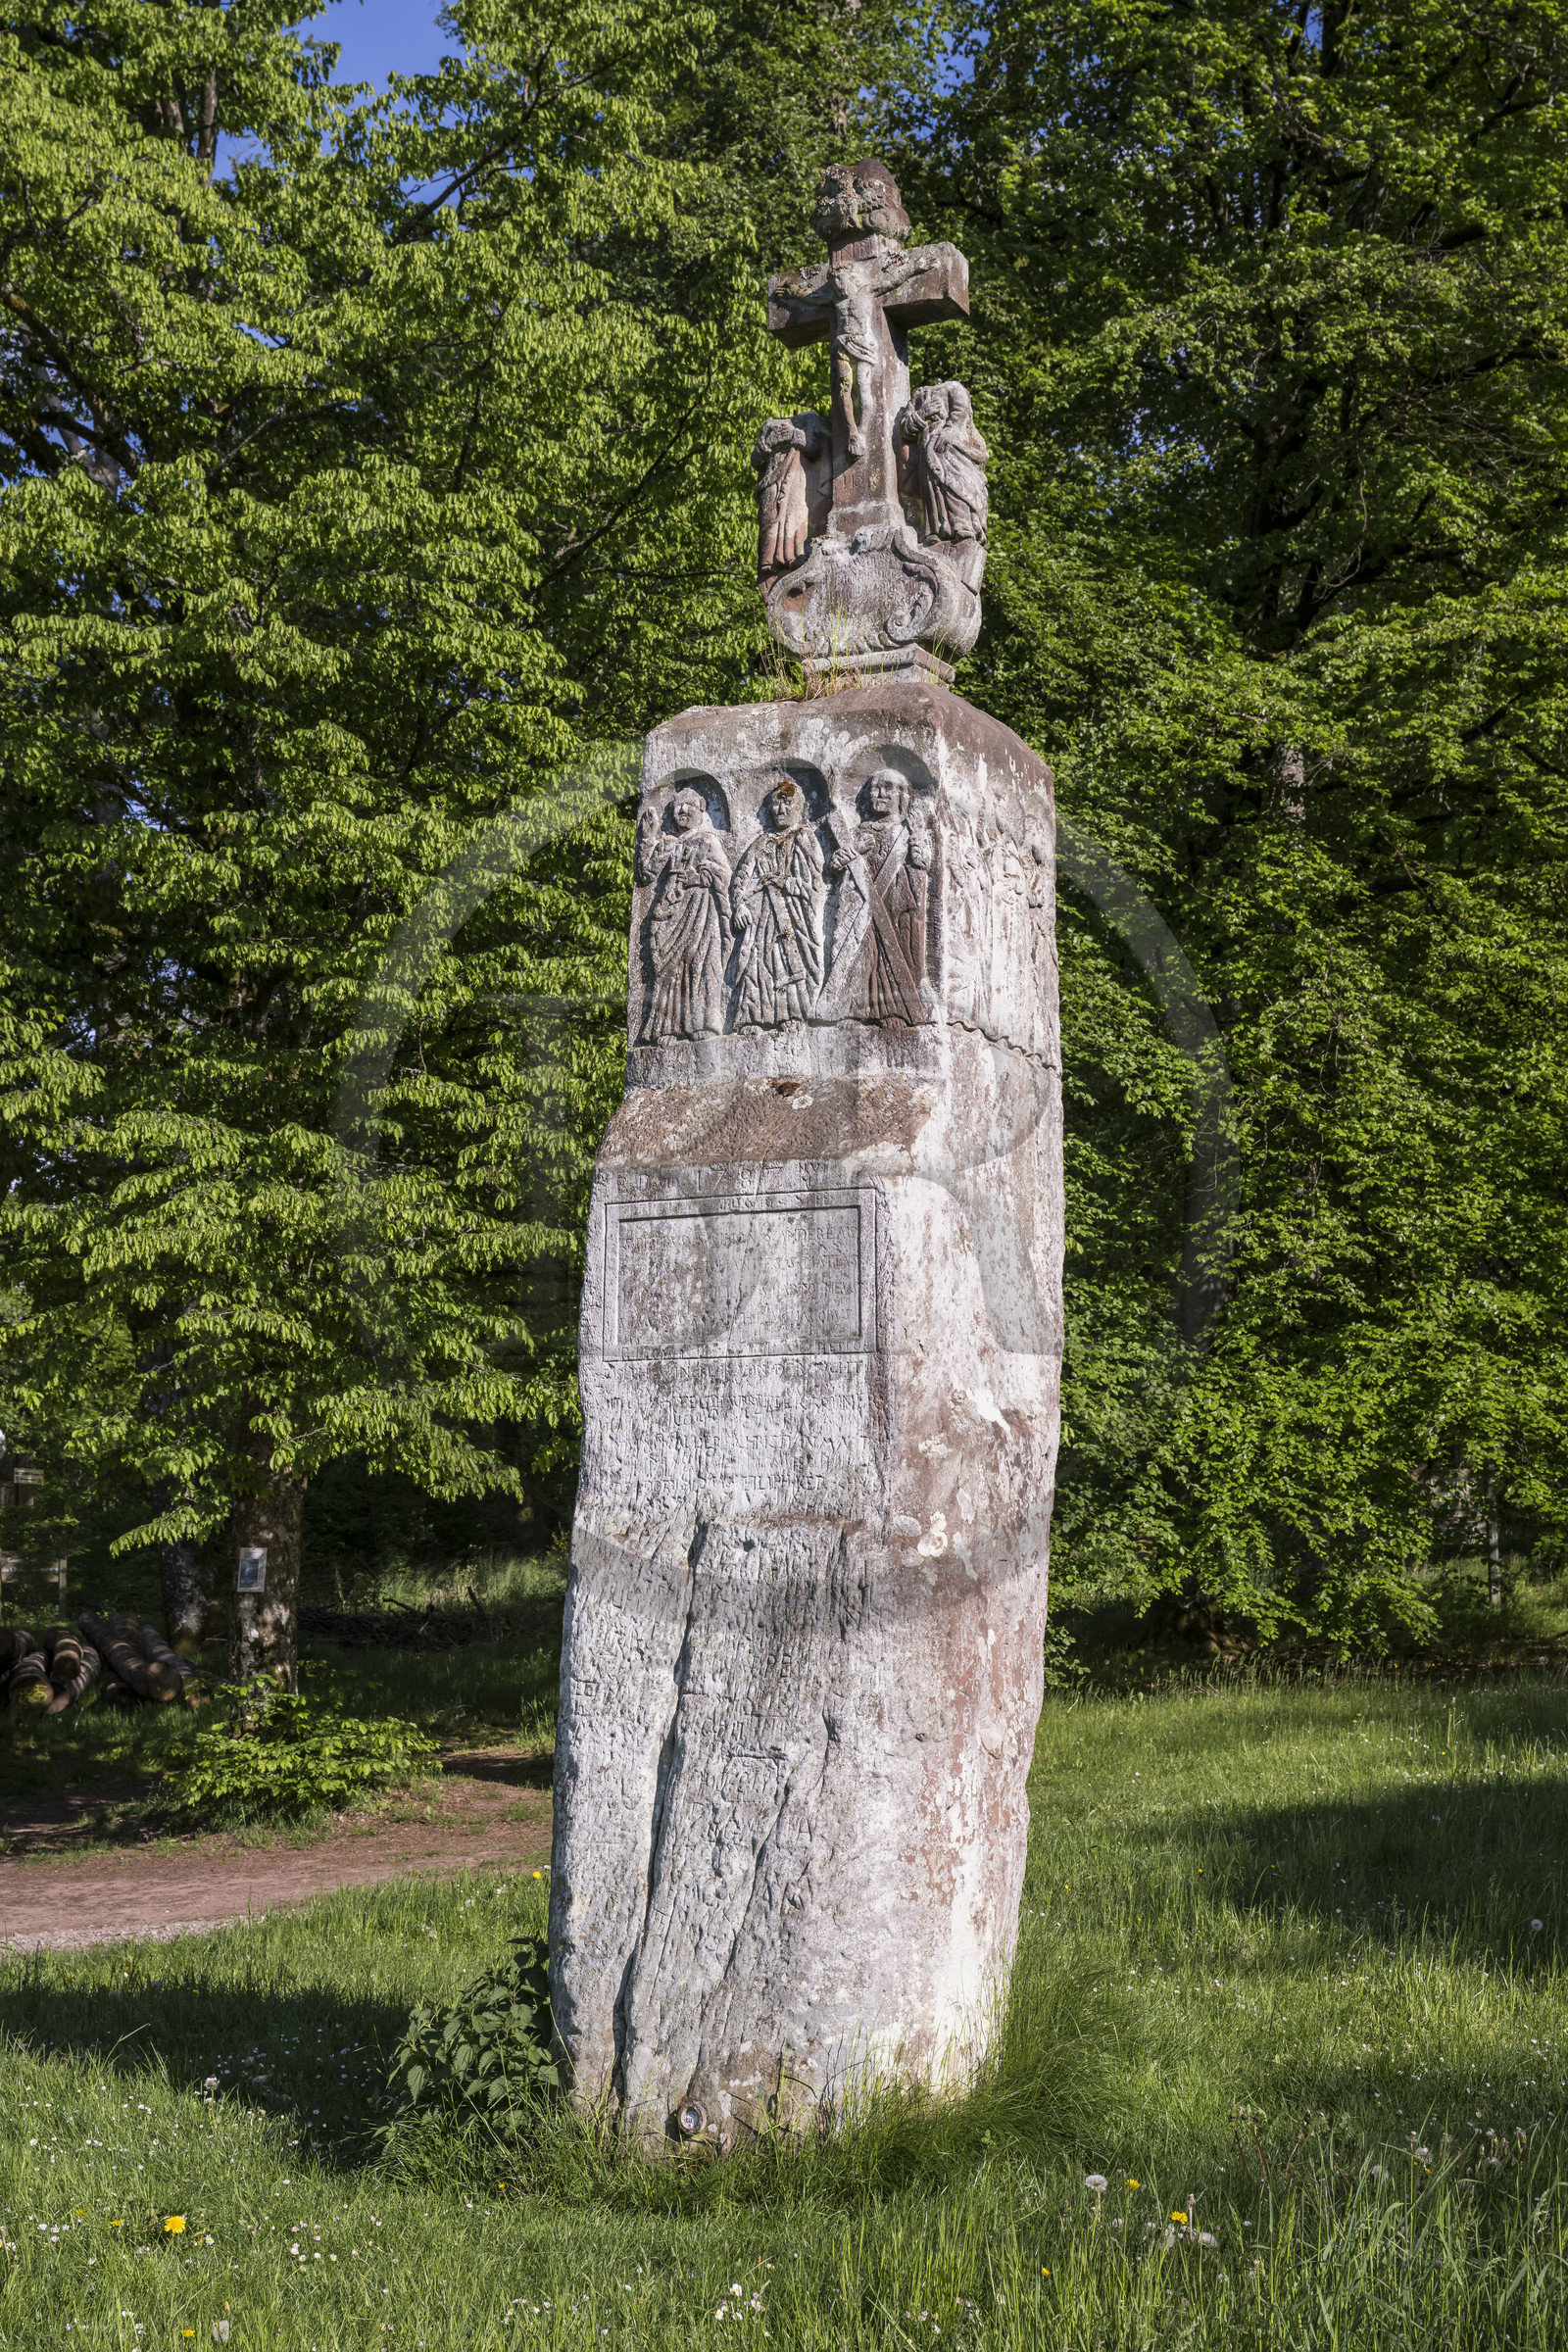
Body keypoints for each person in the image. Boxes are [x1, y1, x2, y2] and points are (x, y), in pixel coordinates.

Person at [635, 787, 732, 1041]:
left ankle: (703, 1023)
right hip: (671, 911)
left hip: (700, 909)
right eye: (677, 806)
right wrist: (648, 836)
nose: (682, 810)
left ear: (701, 810)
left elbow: (724, 875)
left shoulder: (707, 841)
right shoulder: (668, 843)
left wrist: (699, 876)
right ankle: (665, 1028)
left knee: (699, 963)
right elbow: (646, 874)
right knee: (669, 970)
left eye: (689, 805)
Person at [730, 778, 825, 1026]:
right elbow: (741, 877)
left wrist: (784, 882)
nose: (781, 810)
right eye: (776, 805)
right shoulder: (761, 843)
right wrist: (739, 903)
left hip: (795, 917)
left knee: (792, 960)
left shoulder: (805, 838)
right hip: (762, 916)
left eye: (788, 804)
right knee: (759, 963)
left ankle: (794, 1015)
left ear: (800, 808)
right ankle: (753, 1019)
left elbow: (815, 884)